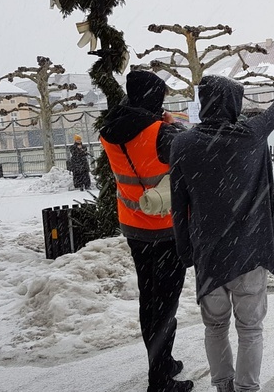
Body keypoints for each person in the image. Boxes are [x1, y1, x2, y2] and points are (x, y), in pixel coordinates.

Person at [169, 60, 274, 392]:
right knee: (250, 329)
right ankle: (247, 388)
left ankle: (223, 386)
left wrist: (184, 250)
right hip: (248, 251)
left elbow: (179, 206)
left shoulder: (182, 144)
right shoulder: (250, 134)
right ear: (233, 104)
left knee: (215, 328)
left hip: (208, 254)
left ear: (204, 103)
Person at [99, 71, 191, 392]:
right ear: (155, 96)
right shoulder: (161, 133)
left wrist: (157, 120)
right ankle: (160, 380)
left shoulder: (109, 131)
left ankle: (161, 361)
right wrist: (167, 123)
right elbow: (191, 148)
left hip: (134, 227)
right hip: (166, 230)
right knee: (165, 305)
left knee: (148, 298)